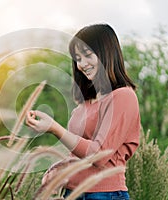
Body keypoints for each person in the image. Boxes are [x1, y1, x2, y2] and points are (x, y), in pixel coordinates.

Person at [26, 23, 141, 200]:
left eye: (87, 55)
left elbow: (98, 155)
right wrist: (60, 168)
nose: (82, 64)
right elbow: (79, 152)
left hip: (104, 194)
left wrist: (54, 128)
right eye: (78, 58)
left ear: (107, 53)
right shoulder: (85, 104)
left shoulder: (123, 96)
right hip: (72, 193)